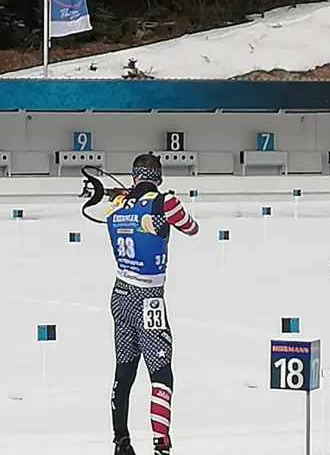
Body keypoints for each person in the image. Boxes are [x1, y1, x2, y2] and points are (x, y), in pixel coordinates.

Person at [86, 154, 198, 455]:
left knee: (124, 373)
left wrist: (125, 196)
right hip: (148, 299)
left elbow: (115, 210)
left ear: (134, 177)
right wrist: (162, 203)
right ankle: (161, 445)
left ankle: (121, 441)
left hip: (120, 293)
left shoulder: (116, 207)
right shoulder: (165, 204)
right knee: (161, 373)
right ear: (158, 177)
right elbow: (191, 227)